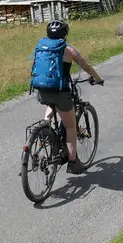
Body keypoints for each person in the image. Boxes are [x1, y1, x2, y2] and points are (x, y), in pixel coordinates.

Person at [31, 19, 104, 174]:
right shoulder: (68, 50)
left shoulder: (42, 47)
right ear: (65, 33)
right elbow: (86, 66)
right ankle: (73, 162)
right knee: (70, 127)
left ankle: (45, 127)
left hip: (42, 90)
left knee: (52, 105)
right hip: (60, 91)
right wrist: (98, 79)